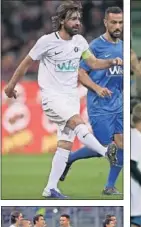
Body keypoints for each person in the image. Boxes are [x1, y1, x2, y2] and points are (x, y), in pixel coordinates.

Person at [3, 1, 121, 198]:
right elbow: (26, 63)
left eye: (79, 19)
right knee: (77, 122)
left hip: (71, 97)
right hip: (52, 97)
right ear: (61, 21)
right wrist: (10, 85)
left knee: (65, 144)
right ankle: (104, 151)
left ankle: (50, 188)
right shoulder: (46, 41)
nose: (77, 23)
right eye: (73, 19)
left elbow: (92, 62)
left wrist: (110, 61)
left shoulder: (80, 42)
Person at [60, 6, 124, 195]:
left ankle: (109, 186)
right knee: (104, 148)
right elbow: (80, 73)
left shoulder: (123, 46)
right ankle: (70, 158)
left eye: (120, 22)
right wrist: (97, 88)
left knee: (121, 145)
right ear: (106, 23)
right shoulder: (95, 46)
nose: (117, 26)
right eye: (113, 22)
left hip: (118, 104)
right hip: (100, 106)